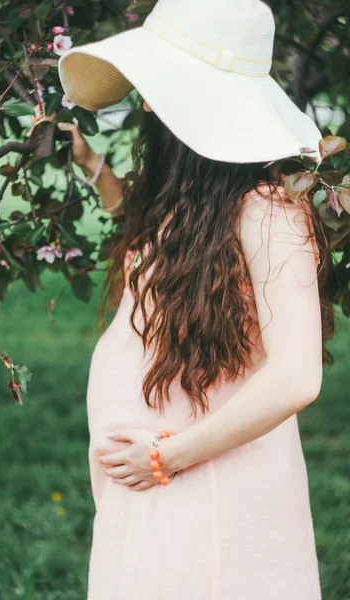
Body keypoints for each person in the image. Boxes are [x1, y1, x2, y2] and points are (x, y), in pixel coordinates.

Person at [57, 0, 335, 598]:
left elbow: (296, 376)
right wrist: (91, 165)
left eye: (157, 87)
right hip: (157, 485)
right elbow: (149, 247)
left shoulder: (268, 211)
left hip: (205, 487)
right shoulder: (192, 203)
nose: (146, 105)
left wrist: (168, 457)